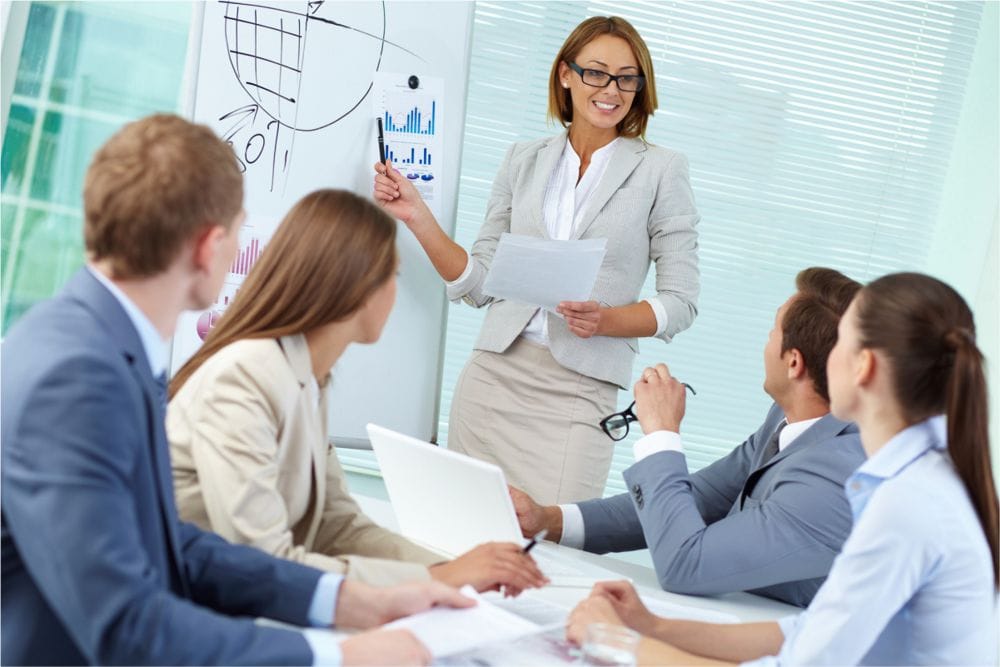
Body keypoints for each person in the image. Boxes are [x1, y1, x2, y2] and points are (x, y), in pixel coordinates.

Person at [0, 114, 474, 666]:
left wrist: (353, 601)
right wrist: (333, 657)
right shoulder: (77, 376)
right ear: (209, 247)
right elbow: (126, 626)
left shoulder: (101, 342)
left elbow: (175, 544)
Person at [566, 272, 999, 665]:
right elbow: (807, 634)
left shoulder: (903, 503)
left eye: (839, 343)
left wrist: (612, 642)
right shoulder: (917, 477)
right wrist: (653, 627)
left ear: (862, 366)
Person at [373, 16, 700, 505]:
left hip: (580, 394)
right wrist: (417, 215)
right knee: (458, 529)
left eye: (627, 77)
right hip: (493, 379)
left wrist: (606, 320)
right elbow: (479, 284)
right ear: (565, 75)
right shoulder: (521, 160)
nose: (611, 89)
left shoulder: (661, 170)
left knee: (549, 552)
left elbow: (681, 302)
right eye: (596, 72)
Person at [166, 188, 547, 595]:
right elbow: (265, 560)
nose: (395, 293)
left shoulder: (308, 376)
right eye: (393, 276)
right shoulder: (244, 378)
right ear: (352, 283)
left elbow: (338, 525)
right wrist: (438, 579)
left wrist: (459, 570)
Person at [512, 268, 866, 607]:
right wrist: (550, 521)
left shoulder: (837, 474)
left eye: (772, 331)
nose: (766, 341)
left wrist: (662, 433)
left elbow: (686, 565)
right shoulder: (789, 420)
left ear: (793, 363)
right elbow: (701, 496)